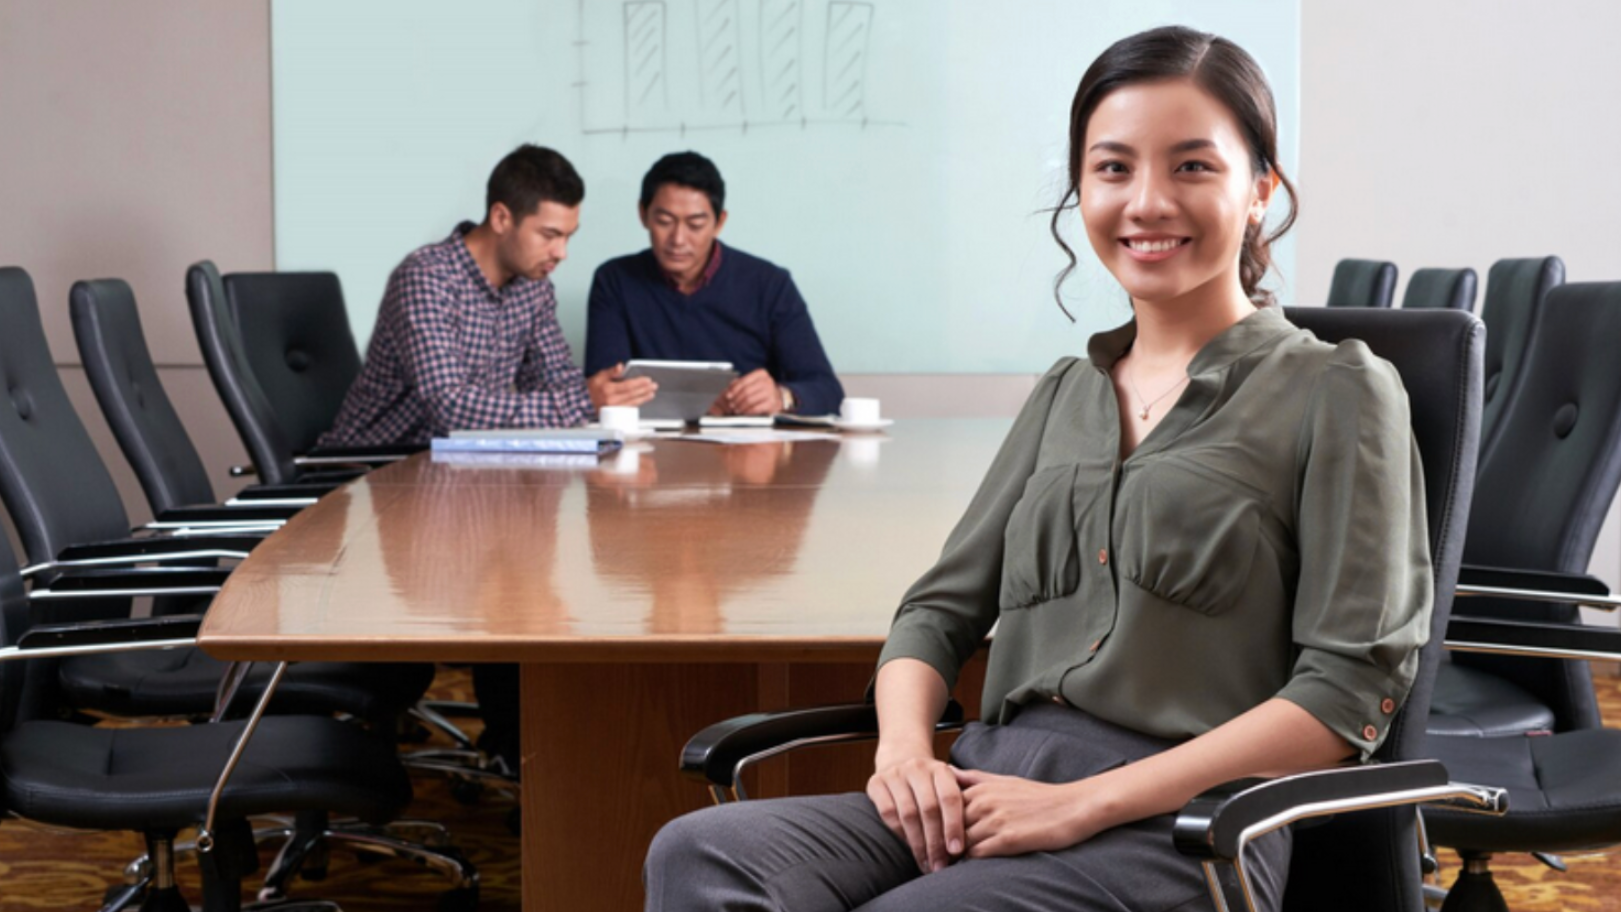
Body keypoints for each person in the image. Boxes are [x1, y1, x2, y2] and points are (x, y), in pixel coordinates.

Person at [643, 25, 1432, 912]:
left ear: (1260, 190)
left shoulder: (1340, 389)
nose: (1146, 202)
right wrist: (905, 758)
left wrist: (1078, 806)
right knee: (699, 854)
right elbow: (937, 613)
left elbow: (1345, 693)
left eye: (1192, 166)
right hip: (991, 787)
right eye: (1112, 168)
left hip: (1182, 827)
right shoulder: (1067, 392)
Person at [320, 144, 654, 448]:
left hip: (454, 466)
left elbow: (557, 383)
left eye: (568, 236)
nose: (561, 252)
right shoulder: (426, 277)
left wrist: (610, 393)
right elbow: (449, 407)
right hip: (368, 470)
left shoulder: (532, 286)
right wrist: (585, 400)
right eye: (549, 235)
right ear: (500, 218)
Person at [584, 151, 845, 417]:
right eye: (664, 222)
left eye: (695, 225)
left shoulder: (769, 284)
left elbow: (828, 391)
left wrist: (781, 397)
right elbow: (606, 389)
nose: (678, 239)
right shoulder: (614, 281)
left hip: (748, 451)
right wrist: (696, 404)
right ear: (643, 215)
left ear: (719, 222)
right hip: (651, 448)